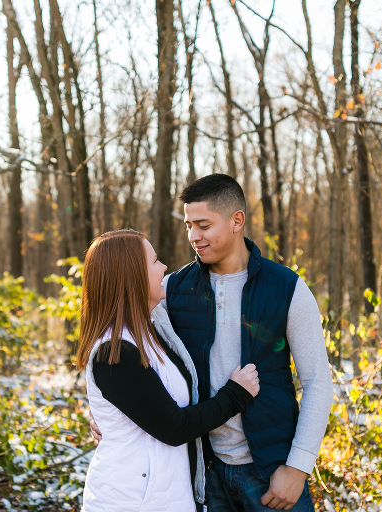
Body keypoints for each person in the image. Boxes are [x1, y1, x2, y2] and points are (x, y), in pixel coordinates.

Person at [90, 174, 334, 511]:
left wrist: (297, 467)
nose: (193, 236)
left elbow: (317, 381)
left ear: (237, 221)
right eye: (189, 225)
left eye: (203, 225)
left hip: (270, 471)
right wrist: (104, 412)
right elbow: (118, 351)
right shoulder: (171, 290)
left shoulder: (287, 288)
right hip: (203, 474)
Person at [77, 229, 261, 512]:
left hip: (165, 496)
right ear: (132, 276)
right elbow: (174, 427)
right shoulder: (115, 353)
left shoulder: (153, 325)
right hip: (130, 501)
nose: (163, 268)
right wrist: (235, 395)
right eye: (154, 262)